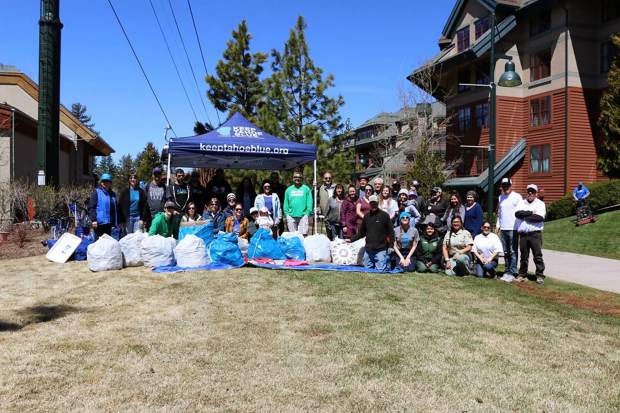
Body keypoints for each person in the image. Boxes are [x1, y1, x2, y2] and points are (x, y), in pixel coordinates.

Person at [351, 195, 394, 272]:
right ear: (369, 204)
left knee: (381, 270)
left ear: (378, 203)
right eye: (372, 203)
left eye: (375, 203)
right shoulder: (366, 217)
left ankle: (386, 263)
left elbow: (391, 232)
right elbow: (361, 233)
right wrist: (351, 239)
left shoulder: (385, 215)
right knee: (366, 270)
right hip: (368, 250)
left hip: (381, 249)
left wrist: (391, 245)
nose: (373, 205)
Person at [515, 184, 546, 284]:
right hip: (523, 234)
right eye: (529, 191)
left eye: (532, 191)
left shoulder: (540, 203)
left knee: (537, 255)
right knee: (524, 256)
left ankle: (540, 275)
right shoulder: (521, 202)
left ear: (536, 193)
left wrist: (525, 215)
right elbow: (517, 214)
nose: (530, 193)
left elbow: (539, 218)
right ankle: (522, 274)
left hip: (535, 234)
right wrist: (531, 213)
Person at [496, 177, 521, 281]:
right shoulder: (500, 197)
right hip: (503, 228)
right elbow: (499, 214)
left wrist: (519, 227)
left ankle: (513, 272)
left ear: (511, 186)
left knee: (513, 251)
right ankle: (507, 271)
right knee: (505, 251)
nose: (506, 187)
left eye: (507, 185)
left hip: (513, 228)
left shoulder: (517, 197)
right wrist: (498, 226)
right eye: (504, 185)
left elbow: (520, 213)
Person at [88, 173, 119, 238]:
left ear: (110, 183)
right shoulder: (96, 192)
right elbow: (91, 207)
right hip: (99, 223)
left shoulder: (113, 194)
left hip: (110, 223)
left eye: (107, 181)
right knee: (99, 243)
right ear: (101, 182)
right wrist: (93, 220)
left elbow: (116, 208)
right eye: (103, 181)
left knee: (109, 243)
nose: (105, 183)